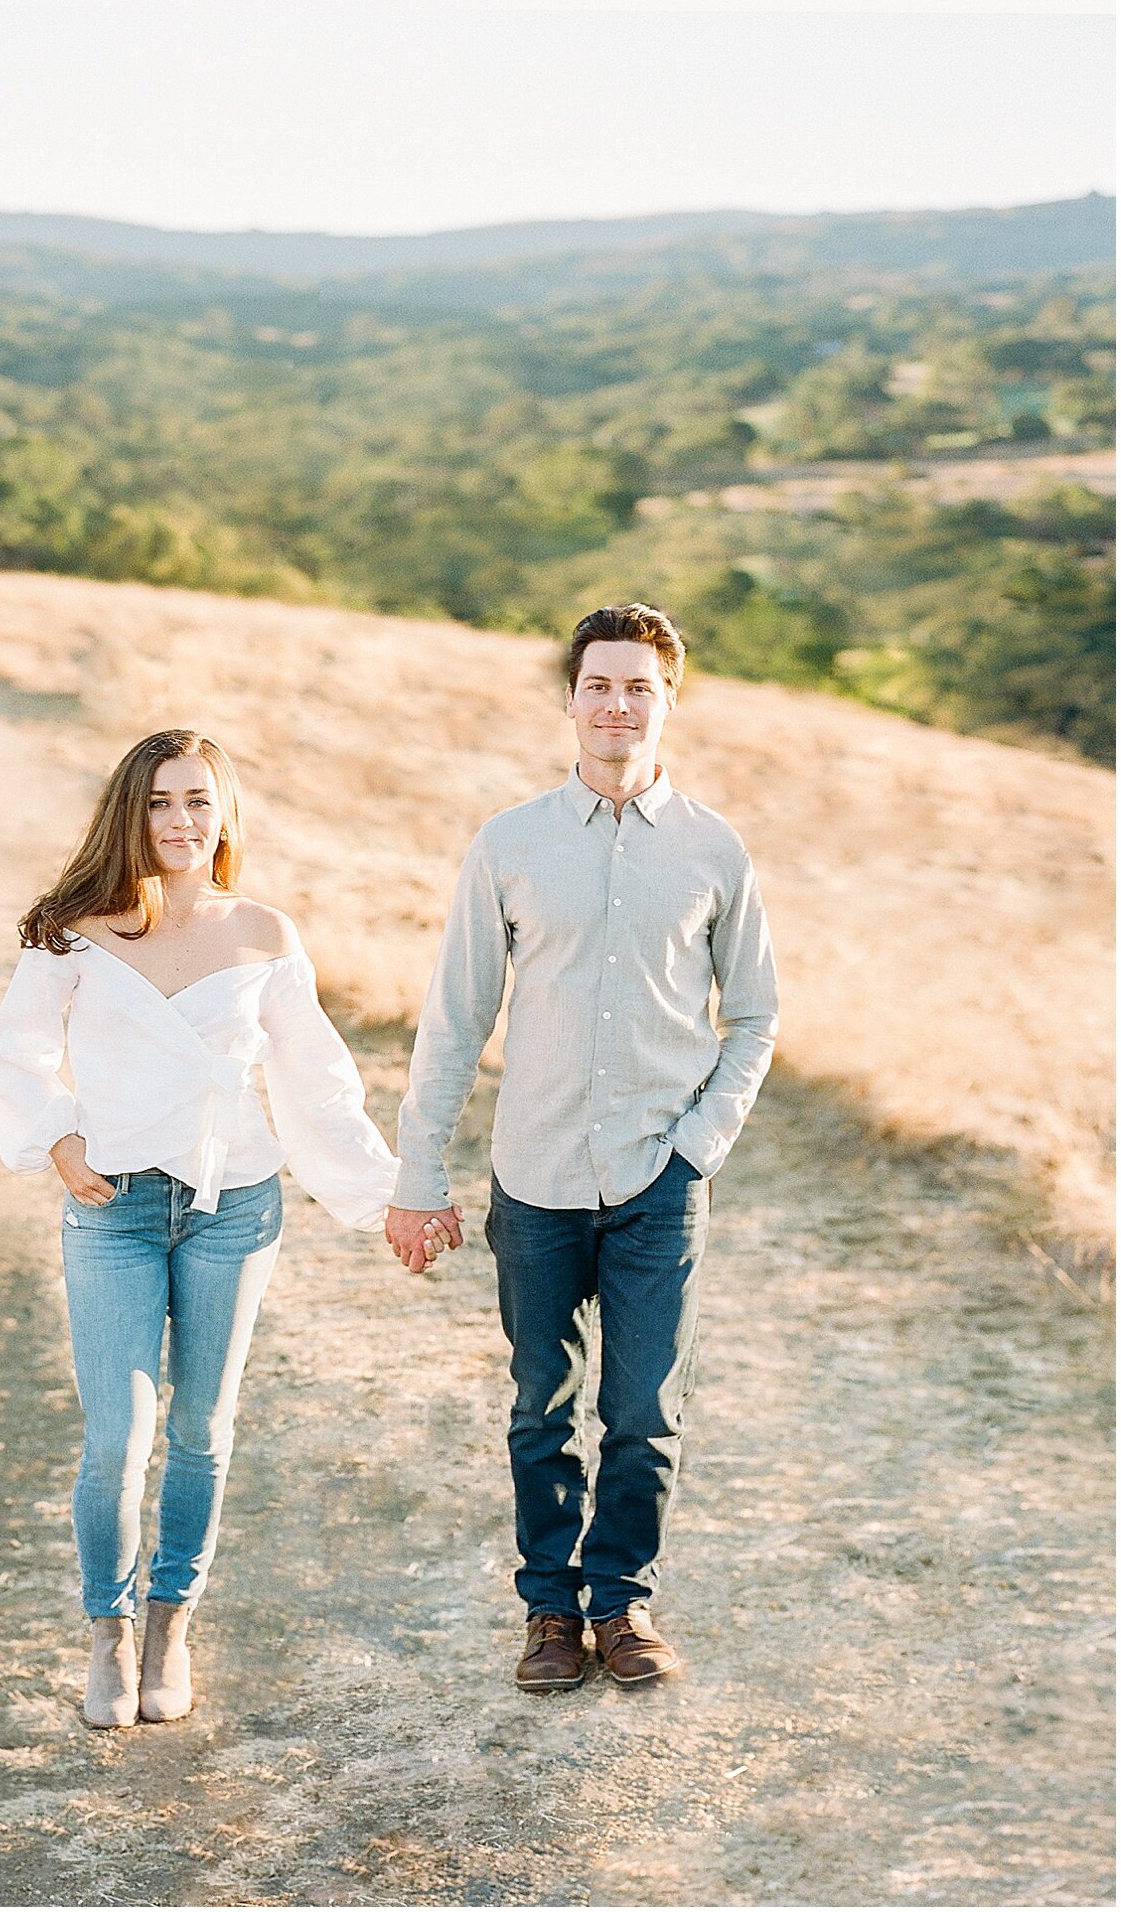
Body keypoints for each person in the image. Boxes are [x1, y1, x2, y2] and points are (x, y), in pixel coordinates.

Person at [385, 603, 778, 1692]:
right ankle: (551, 1613)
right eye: (600, 684)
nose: (618, 704)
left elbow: (755, 1015)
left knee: (647, 1410)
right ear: (571, 698)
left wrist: (700, 1144)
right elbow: (456, 1016)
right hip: (537, 1174)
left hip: (661, 1174)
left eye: (639, 686)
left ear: (667, 699)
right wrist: (421, 1170)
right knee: (540, 1406)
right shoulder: (510, 842)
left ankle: (625, 1603)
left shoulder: (713, 848)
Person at [0, 728, 397, 1729]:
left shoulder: (263, 933)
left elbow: (315, 1081)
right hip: (111, 1206)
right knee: (116, 1442)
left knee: (203, 1431)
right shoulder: (73, 930)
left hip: (235, 1203)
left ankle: (172, 1623)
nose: (181, 821)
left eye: (200, 801)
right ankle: (110, 1633)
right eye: (162, 801)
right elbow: (18, 1053)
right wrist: (56, 1138)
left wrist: (390, 1196)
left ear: (225, 814)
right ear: (133, 811)